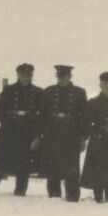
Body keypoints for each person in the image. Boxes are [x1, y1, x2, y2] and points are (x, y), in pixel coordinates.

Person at [0, 63, 43, 196]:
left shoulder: (38, 92)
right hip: (9, 130)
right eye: (23, 75)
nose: (25, 78)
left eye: (28, 75)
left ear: (32, 76)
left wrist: (36, 133)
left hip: (27, 129)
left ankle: (21, 189)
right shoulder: (9, 90)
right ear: (18, 75)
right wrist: (7, 122)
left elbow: (41, 114)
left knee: (24, 160)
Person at [35, 65, 87, 202]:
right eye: (59, 77)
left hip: (71, 133)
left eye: (64, 77)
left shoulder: (79, 93)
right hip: (52, 132)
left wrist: (83, 137)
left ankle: (73, 195)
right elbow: (42, 115)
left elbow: (84, 117)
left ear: (70, 77)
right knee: (53, 165)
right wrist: (39, 135)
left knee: (72, 167)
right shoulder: (49, 91)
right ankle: (54, 194)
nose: (61, 79)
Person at [81, 71, 108, 203]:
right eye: (105, 83)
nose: (107, 86)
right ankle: (98, 197)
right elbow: (86, 123)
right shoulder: (93, 102)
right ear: (100, 84)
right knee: (97, 170)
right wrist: (98, 133)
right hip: (98, 142)